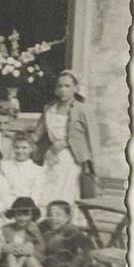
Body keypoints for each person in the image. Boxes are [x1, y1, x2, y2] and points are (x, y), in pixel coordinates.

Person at [33, 70, 97, 206]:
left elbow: (92, 137)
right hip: (51, 156)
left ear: (75, 88)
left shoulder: (82, 109)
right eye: (60, 86)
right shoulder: (49, 108)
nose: (63, 90)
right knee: (48, 190)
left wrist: (90, 162)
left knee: (66, 192)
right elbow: (37, 135)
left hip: (72, 157)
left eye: (67, 86)